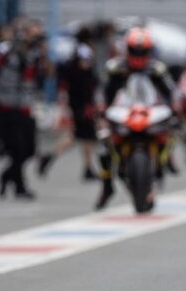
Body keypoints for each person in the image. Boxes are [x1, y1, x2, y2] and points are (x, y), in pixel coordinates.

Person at [95, 27, 177, 210]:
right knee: (103, 144)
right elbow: (102, 92)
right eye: (135, 51)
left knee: (171, 132)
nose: (138, 55)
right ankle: (107, 186)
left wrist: (175, 111)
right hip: (122, 111)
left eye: (142, 51)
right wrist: (101, 111)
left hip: (150, 112)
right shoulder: (114, 68)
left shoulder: (157, 69)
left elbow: (170, 92)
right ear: (127, 49)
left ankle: (165, 162)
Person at [0, 19, 52, 200]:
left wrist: (44, 55)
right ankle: (19, 186)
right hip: (7, 105)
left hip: (26, 106)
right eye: (34, 34)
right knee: (16, 148)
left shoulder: (37, 54)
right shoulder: (8, 49)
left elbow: (49, 74)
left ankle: (7, 175)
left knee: (30, 149)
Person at [38, 26, 100, 180]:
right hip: (83, 101)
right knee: (84, 135)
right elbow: (84, 76)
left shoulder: (74, 51)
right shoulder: (84, 52)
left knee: (83, 135)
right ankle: (51, 157)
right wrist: (89, 100)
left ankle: (87, 167)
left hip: (78, 100)